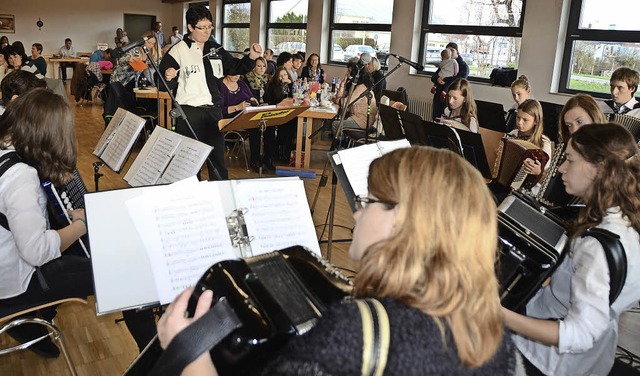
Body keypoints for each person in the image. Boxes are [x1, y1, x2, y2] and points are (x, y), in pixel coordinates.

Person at [157, 146, 522, 375]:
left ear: (407, 221)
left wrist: (190, 354)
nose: (357, 212)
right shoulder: (493, 334)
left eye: (369, 200)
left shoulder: (356, 333)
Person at [0, 88, 157, 358]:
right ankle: (156, 360)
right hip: (16, 283)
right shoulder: (21, 177)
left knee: (89, 254)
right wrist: (81, 224)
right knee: (133, 276)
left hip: (9, 267)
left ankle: (31, 328)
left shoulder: (7, 154)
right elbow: (35, 251)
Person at [504, 122, 640, 376]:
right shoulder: (628, 220)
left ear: (599, 170)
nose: (561, 169)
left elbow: (578, 334)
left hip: (547, 359)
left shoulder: (595, 247)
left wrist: (499, 315)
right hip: (595, 357)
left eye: (570, 160)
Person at [159, 5, 260, 180]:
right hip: (189, 113)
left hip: (214, 112)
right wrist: (168, 76)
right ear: (190, 27)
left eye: (210, 27)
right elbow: (162, 80)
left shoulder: (215, 49)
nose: (207, 31)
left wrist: (251, 57)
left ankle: (219, 200)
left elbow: (234, 67)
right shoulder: (178, 50)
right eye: (202, 27)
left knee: (218, 163)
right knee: (189, 165)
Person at [242, 57, 275, 171]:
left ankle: (268, 158)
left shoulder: (268, 79)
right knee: (255, 130)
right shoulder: (247, 78)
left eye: (263, 66)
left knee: (271, 128)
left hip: (265, 109)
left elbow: (271, 96)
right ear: (254, 66)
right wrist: (256, 104)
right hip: (252, 110)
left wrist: (267, 103)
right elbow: (246, 96)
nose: (261, 68)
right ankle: (255, 160)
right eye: (258, 66)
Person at [507, 99, 552, 181]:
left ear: (535, 121)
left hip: (529, 188)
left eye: (525, 120)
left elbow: (546, 179)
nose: (520, 122)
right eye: (518, 117)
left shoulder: (543, 143)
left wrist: (539, 173)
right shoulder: (513, 134)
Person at [332, 65, 378, 135]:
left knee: (335, 125)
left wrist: (336, 100)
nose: (347, 74)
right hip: (357, 118)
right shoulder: (357, 86)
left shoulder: (361, 88)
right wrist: (342, 84)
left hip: (363, 121)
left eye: (349, 72)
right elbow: (340, 97)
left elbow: (344, 103)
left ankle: (338, 144)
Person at [264, 66, 295, 162]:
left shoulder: (290, 85)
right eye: (280, 76)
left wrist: (290, 85)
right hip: (274, 112)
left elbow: (293, 98)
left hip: (287, 112)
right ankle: (274, 154)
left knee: (293, 123)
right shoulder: (272, 85)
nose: (283, 77)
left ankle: (285, 153)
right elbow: (270, 101)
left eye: (285, 75)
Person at [431, 42, 469, 120]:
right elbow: (433, 76)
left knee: (449, 121)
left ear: (457, 52)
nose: (450, 52)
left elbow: (461, 80)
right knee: (436, 118)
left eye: (452, 50)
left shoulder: (463, 65)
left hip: (453, 98)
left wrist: (445, 79)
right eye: (448, 50)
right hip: (438, 96)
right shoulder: (445, 63)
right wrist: (437, 79)